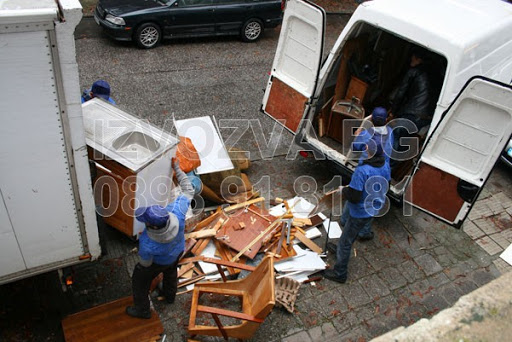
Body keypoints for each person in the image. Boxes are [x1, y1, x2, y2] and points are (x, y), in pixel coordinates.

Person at [125, 160, 194, 319]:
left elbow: (145, 264)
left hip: (158, 262)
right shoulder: (177, 211)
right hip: (176, 252)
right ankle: (170, 296)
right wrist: (176, 166)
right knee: (171, 271)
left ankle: (142, 310)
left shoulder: (147, 244)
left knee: (140, 278)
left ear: (152, 226)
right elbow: (188, 188)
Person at [324, 136, 391, 283]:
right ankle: (340, 252)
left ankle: (340, 273)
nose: (364, 148)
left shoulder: (362, 171)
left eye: (367, 147)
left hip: (360, 211)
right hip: (373, 206)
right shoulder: (385, 164)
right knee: (348, 232)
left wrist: (343, 190)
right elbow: (387, 184)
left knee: (345, 241)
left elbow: (354, 196)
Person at [339, 106, 393, 241]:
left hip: (366, 168)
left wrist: (358, 134)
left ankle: (345, 220)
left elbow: (355, 147)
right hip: (382, 170)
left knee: (355, 192)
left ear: (372, 120)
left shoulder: (366, 134)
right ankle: (364, 232)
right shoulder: (391, 132)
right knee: (372, 201)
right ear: (386, 119)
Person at [389, 47, 432, 155]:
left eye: (412, 58)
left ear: (418, 59)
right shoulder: (435, 74)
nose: (410, 60)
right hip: (427, 118)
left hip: (413, 114)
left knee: (395, 133)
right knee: (404, 139)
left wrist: (393, 112)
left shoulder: (414, 71)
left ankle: (386, 165)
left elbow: (401, 93)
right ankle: (393, 167)